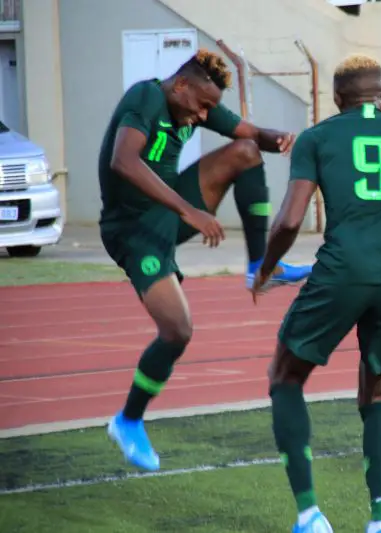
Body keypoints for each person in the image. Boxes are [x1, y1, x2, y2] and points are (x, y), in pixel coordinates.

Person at [250, 54, 381, 533]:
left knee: (285, 377)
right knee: (377, 395)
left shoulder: (317, 138)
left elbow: (290, 220)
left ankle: (309, 515)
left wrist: (266, 268)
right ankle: (380, 521)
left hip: (340, 272)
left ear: (337, 97)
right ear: (380, 94)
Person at [100, 49, 313, 471]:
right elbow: (122, 161)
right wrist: (188, 211)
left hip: (169, 211)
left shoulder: (195, 102)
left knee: (246, 150)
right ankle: (128, 421)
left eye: (208, 109)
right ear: (180, 85)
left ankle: (260, 268)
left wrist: (280, 139)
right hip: (134, 230)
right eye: (200, 106)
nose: (202, 116)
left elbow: (251, 133)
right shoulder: (146, 97)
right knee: (177, 330)